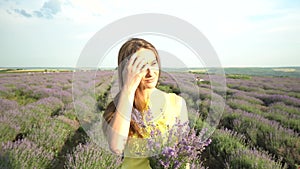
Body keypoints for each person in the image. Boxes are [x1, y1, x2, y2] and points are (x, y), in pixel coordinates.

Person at [102, 38, 189, 169]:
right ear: (127, 70)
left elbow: (184, 152)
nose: (150, 72)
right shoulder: (120, 108)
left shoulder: (176, 102)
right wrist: (128, 89)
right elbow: (116, 147)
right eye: (142, 67)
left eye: (153, 64)